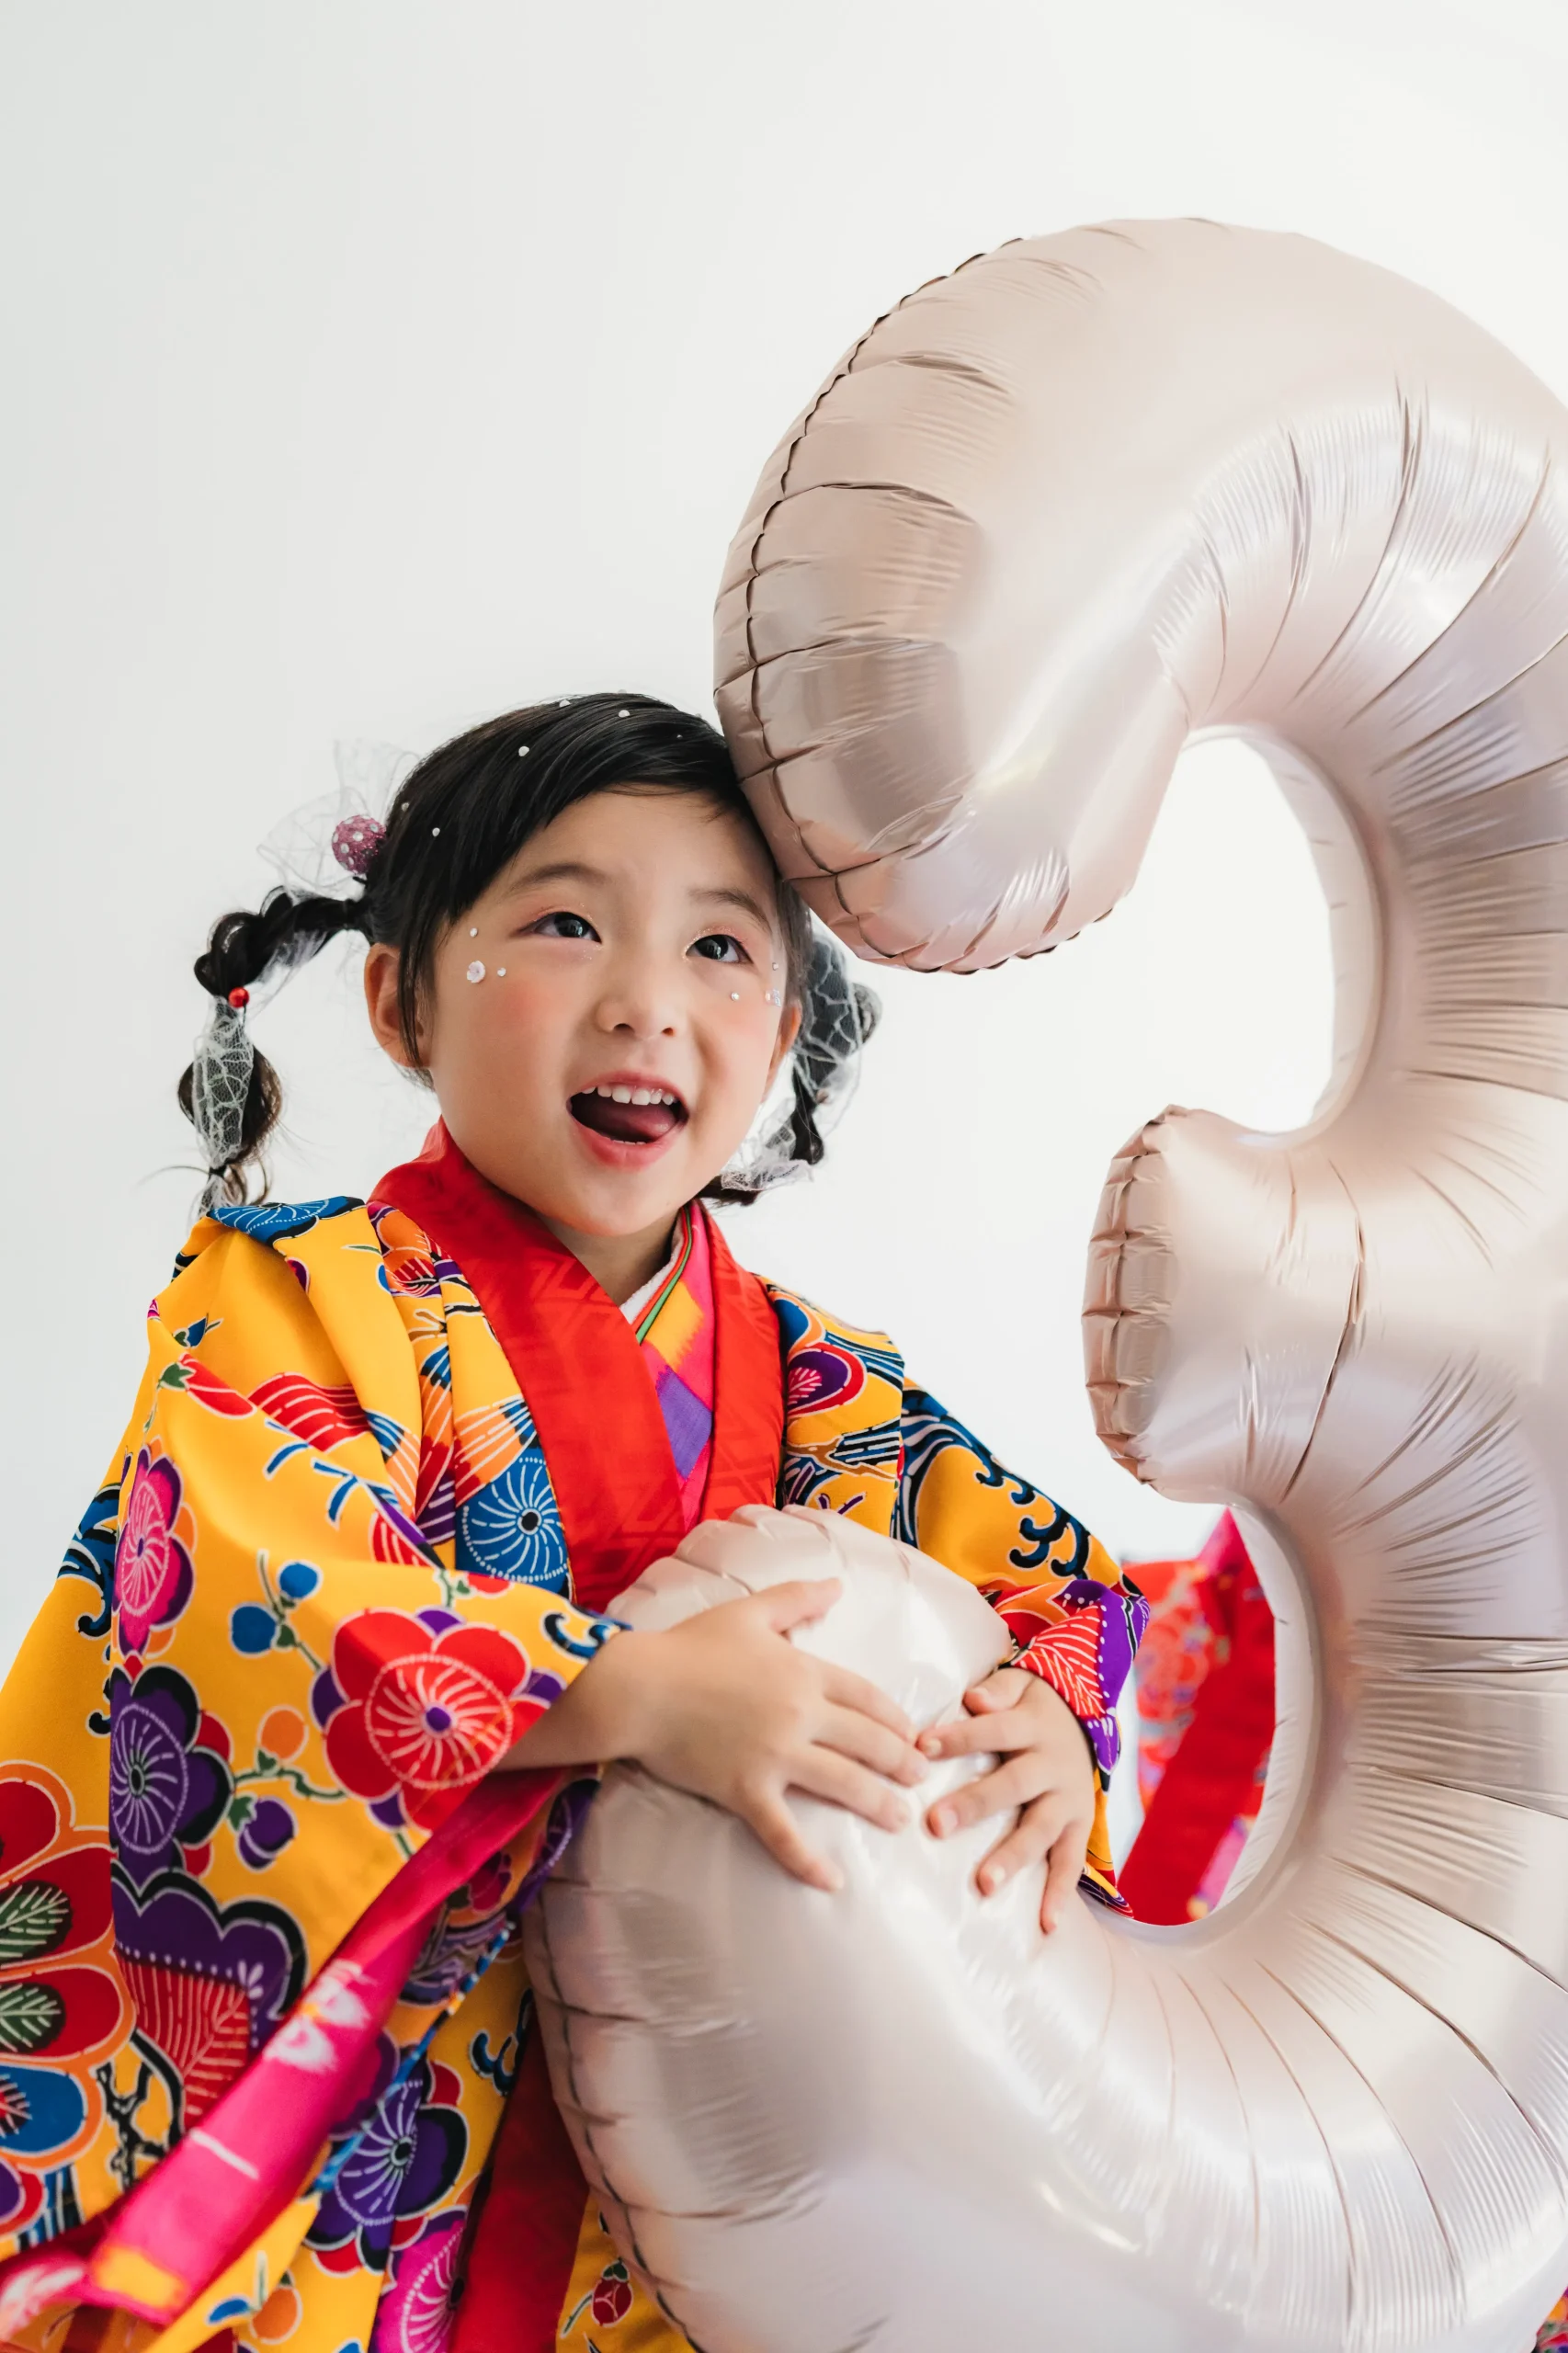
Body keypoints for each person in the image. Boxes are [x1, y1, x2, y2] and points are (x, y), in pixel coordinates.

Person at [0, 694, 1148, 2353]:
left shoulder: (808, 1372)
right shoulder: (301, 1297)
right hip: (386, 2134)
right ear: (399, 999)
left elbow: (1043, 1580)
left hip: (711, 2133)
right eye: (563, 925)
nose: (646, 1003)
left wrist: (1049, 1715)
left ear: (784, 1029)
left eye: (719, 950)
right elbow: (258, 1584)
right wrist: (625, 1692)